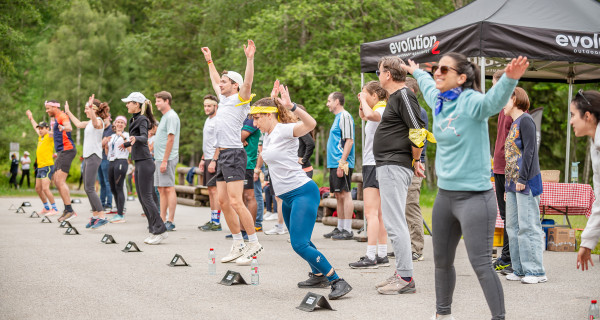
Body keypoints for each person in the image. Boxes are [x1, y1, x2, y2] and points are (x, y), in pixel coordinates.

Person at [402, 54, 529, 319]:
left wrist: (510, 78)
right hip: (445, 198)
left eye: (444, 69)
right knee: (442, 263)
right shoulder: (438, 99)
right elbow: (426, 82)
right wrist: (417, 71)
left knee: (481, 264)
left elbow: (493, 101)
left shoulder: (471, 102)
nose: (438, 72)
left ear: (461, 78)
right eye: (437, 68)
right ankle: (442, 314)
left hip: (474, 198)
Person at [250, 80, 352, 299]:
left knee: (299, 244)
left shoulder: (286, 130)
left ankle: (338, 281)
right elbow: (266, 142)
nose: (254, 122)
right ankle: (318, 274)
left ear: (269, 115)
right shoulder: (267, 135)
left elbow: (311, 124)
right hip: (287, 197)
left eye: (257, 117)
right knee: (300, 239)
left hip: (302, 192)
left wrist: (291, 106)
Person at [201, 40, 263, 266]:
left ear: (234, 85)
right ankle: (237, 243)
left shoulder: (240, 99)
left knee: (237, 201)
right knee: (223, 201)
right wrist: (209, 60)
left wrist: (249, 59)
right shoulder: (224, 100)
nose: (220, 83)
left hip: (236, 155)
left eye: (225, 82)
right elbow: (214, 78)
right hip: (223, 156)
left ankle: (253, 242)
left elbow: (248, 81)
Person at [372, 56, 427, 295]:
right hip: (389, 164)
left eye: (379, 72)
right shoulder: (396, 97)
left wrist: (416, 159)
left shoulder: (404, 94)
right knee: (393, 220)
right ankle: (401, 272)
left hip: (395, 164)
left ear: (388, 74)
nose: (378, 75)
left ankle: (405, 278)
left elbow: (418, 130)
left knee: (395, 222)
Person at [502, 87, 546, 284]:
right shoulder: (513, 123)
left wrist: (521, 180)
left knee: (528, 227)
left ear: (514, 99)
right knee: (512, 226)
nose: (502, 104)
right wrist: (507, 186)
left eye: (504, 100)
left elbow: (530, 152)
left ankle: (536, 271)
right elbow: (511, 158)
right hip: (512, 184)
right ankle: (519, 269)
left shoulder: (526, 120)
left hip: (526, 182)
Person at [349, 80, 390, 269]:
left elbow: (371, 115)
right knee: (379, 213)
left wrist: (365, 100)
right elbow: (363, 115)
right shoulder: (379, 108)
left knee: (371, 212)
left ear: (375, 96)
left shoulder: (382, 109)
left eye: (366, 94)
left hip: (373, 164)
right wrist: (362, 101)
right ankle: (382, 253)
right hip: (374, 163)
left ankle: (371, 255)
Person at [121, 92, 168, 245]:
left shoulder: (142, 119)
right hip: (139, 161)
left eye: (129, 102)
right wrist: (127, 144)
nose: (127, 104)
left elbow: (144, 137)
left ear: (137, 104)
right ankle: (153, 229)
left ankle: (160, 229)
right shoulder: (133, 118)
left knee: (147, 197)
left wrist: (134, 139)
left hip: (146, 162)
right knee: (142, 198)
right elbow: (136, 139)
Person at [65, 96, 110, 229]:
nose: (85, 111)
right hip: (87, 157)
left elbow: (96, 124)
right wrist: (68, 112)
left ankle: (101, 216)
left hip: (94, 156)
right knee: (87, 188)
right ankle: (95, 215)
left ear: (94, 109)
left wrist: (90, 108)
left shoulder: (99, 121)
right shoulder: (89, 122)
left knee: (90, 188)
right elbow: (78, 124)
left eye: (87, 108)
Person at [569, 90, 600, 271]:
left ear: (587, 116)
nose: (571, 121)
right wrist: (587, 242)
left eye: (573, 115)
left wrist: (587, 241)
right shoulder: (595, 145)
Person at [323, 91, 356, 241]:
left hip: (341, 162)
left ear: (337, 101)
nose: (327, 104)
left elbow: (349, 141)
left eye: (329, 101)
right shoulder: (337, 118)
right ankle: (341, 226)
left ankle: (348, 229)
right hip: (333, 162)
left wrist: (342, 162)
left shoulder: (345, 116)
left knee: (345, 193)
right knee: (338, 194)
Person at [491, 69, 513, 274]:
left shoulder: (512, 109)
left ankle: (508, 257)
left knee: (509, 215)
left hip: (507, 168)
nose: (492, 88)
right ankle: (504, 255)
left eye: (494, 85)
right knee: (505, 215)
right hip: (498, 167)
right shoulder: (500, 109)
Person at [405, 77, 430, 262]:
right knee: (401, 208)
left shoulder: (418, 112)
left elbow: (418, 141)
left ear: (411, 91)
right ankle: (406, 246)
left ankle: (417, 248)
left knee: (411, 206)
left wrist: (417, 161)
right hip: (402, 164)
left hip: (414, 165)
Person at [44, 100, 77, 222]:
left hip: (67, 150)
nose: (47, 111)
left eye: (48, 108)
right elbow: (54, 134)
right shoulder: (56, 118)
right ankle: (67, 209)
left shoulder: (62, 116)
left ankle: (70, 210)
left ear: (54, 107)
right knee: (57, 181)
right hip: (61, 152)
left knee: (59, 180)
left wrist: (64, 127)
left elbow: (69, 127)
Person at [154, 91, 180, 232]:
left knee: (169, 188)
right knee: (161, 188)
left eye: (159, 101)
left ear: (167, 101)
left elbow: (171, 139)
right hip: (159, 158)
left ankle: (171, 220)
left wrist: (164, 160)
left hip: (168, 158)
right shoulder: (164, 117)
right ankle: (162, 218)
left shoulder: (171, 116)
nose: (156, 103)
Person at [25, 111, 59, 216]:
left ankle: (55, 208)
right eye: (39, 128)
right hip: (40, 167)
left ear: (47, 128)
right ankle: (46, 207)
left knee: (45, 188)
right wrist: (31, 117)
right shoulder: (41, 137)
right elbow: (35, 126)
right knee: (38, 189)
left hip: (47, 166)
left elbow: (54, 130)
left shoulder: (49, 136)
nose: (40, 130)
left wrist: (53, 119)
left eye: (42, 128)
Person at [198, 94, 222, 231]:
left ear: (215, 106)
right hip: (207, 158)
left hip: (215, 158)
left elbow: (219, 142)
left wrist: (214, 160)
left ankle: (217, 222)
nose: (206, 108)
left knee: (215, 190)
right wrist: (202, 159)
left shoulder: (218, 120)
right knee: (210, 190)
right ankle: (213, 219)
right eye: (205, 106)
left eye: (209, 106)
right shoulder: (208, 120)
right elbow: (207, 142)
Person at [104, 116, 130, 223]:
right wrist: (106, 146)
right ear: (114, 124)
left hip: (121, 161)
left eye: (122, 123)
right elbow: (108, 151)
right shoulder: (112, 136)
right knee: (113, 188)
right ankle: (117, 212)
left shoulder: (127, 135)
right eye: (118, 122)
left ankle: (120, 214)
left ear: (124, 125)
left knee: (119, 187)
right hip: (112, 162)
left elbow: (130, 149)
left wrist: (123, 137)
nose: (119, 124)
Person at [98, 114, 114, 212]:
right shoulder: (100, 129)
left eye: (105, 118)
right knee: (101, 182)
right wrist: (101, 143)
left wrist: (101, 143)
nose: (103, 120)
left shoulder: (111, 129)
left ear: (109, 118)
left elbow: (104, 143)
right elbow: (98, 143)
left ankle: (109, 204)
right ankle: (101, 203)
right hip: (99, 157)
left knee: (107, 182)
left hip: (106, 158)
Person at [297, 105, 315, 178]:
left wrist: (304, 159)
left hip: (304, 170)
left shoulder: (300, 126)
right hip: (300, 170)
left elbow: (311, 144)